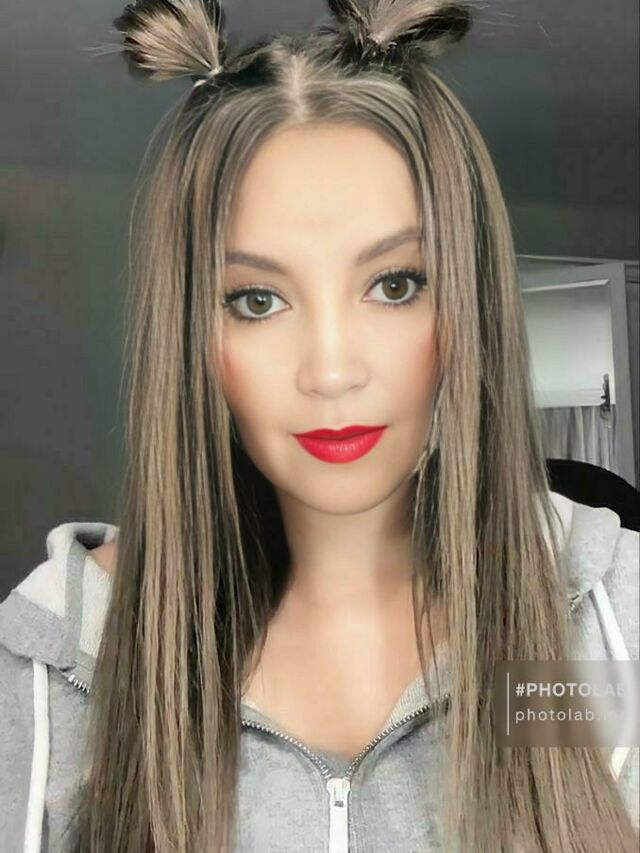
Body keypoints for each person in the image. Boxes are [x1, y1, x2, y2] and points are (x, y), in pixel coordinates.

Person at [0, 1, 638, 851]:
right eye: (256, 300)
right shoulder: (54, 666)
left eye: (396, 284)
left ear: (468, 301)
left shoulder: (612, 617)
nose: (332, 370)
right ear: (189, 333)